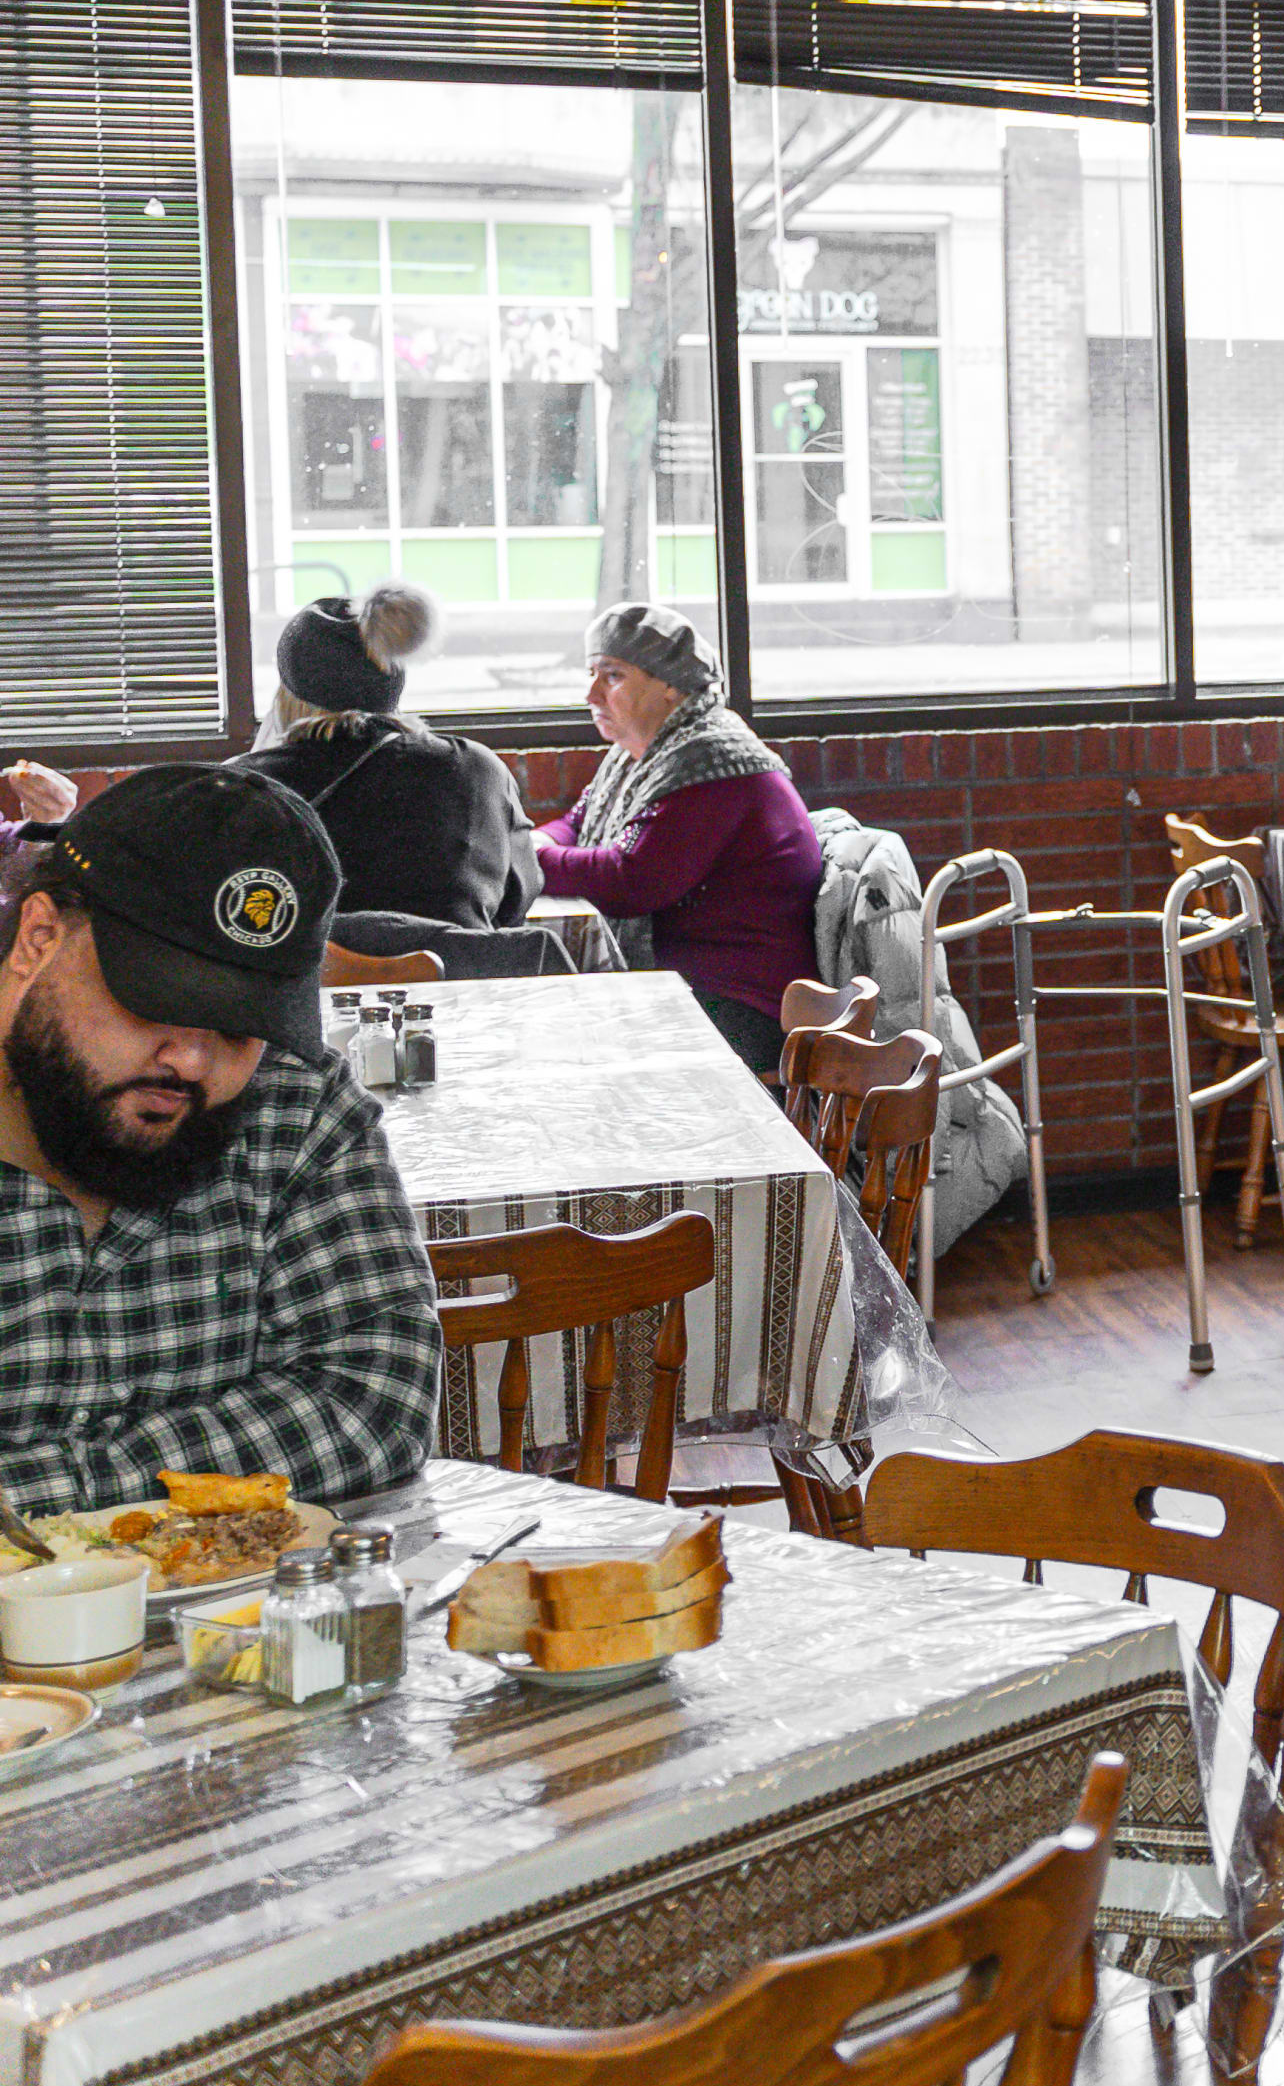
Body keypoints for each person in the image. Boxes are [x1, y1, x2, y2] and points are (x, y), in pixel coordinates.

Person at [0, 766, 442, 1507]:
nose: (193, 1062)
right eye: (155, 1001)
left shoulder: (296, 1107)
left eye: (242, 1027)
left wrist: (60, 1494)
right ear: (39, 937)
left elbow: (375, 1400)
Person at [1, 588, 538, 935]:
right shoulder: (477, 770)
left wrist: (58, 827)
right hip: (461, 1011)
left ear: (289, 691)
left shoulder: (235, 790)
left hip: (295, 1037)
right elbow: (516, 902)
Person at [536, 604, 820, 1070]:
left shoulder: (708, 761)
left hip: (746, 1006)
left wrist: (533, 859)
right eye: (591, 673)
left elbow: (631, 881)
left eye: (612, 676)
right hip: (695, 987)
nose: (591, 693)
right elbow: (577, 823)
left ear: (670, 685)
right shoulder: (644, 754)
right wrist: (539, 846)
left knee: (568, 1044)